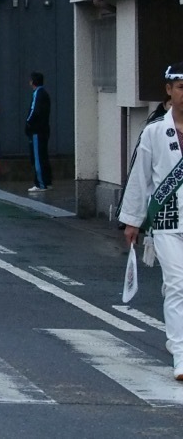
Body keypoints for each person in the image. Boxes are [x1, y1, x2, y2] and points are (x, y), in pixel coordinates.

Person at [119, 62, 183, 381]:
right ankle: (181, 354)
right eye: (181, 86)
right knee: (176, 283)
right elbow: (140, 177)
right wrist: (133, 220)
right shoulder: (155, 131)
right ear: (169, 90)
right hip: (167, 219)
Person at [25, 71, 52, 193]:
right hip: (44, 129)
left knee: (37, 157)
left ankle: (40, 184)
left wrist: (28, 123)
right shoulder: (45, 93)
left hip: (36, 130)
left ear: (33, 81)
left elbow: (34, 111)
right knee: (43, 156)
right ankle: (47, 181)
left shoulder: (38, 93)